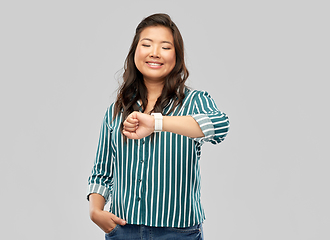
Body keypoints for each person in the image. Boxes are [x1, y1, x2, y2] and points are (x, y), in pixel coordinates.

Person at [87, 13, 230, 240]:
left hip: (179, 233)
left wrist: (157, 122)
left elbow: (220, 126)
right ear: (135, 52)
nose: (154, 52)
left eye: (165, 47)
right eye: (146, 45)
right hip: (124, 230)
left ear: (177, 56)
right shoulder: (116, 111)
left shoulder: (194, 102)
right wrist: (96, 211)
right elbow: (102, 173)